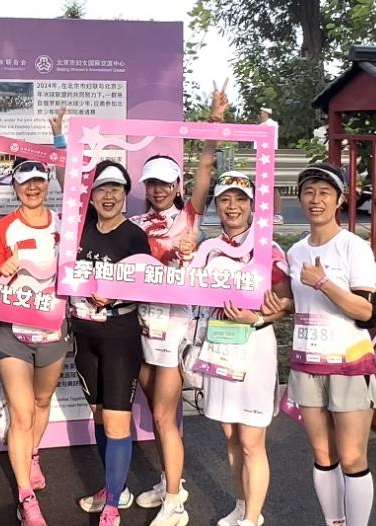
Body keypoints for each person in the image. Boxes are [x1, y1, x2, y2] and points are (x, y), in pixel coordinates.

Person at [129, 83, 227, 526]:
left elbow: (205, 168)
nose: (158, 190)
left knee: (165, 416)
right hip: (140, 325)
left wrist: (215, 123)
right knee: (157, 413)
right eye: (152, 183)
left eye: (165, 183)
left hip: (174, 327)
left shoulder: (189, 217)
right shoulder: (134, 224)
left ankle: (174, 503)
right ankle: (172, 480)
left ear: (176, 185)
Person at [267, 163, 376, 526]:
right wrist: (281, 306)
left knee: (352, 456)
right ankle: (334, 522)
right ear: (300, 198)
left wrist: (323, 283)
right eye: (309, 192)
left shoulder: (353, 247)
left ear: (340, 199)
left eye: (324, 193)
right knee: (322, 454)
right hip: (307, 364)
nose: (316, 200)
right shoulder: (297, 251)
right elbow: (301, 304)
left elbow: (366, 311)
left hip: (349, 364)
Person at [196, 172, 292, 526]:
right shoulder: (208, 248)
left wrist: (258, 316)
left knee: (252, 440)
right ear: (216, 205)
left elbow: (288, 300)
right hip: (220, 346)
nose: (232, 206)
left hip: (255, 348)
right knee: (232, 436)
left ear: (252, 206)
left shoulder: (267, 248)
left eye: (240, 199)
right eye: (225, 199)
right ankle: (241, 506)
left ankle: (252, 518)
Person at [66, 161, 151, 526]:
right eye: (101, 188)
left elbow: (147, 284)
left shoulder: (134, 236)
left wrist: (115, 295)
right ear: (92, 195)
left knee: (117, 423)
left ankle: (113, 506)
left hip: (120, 337)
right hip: (85, 336)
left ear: (125, 195)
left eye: (116, 189)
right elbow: (68, 182)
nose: (109, 196)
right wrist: (60, 142)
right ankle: (114, 487)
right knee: (100, 417)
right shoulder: (82, 229)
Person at [0, 158, 71, 526]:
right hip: (12, 331)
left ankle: (33, 454)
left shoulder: (63, 225)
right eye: (25, 182)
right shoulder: (3, 228)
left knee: (41, 400)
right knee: (21, 413)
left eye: (39, 181)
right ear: (15, 187)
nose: (32, 188)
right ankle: (26, 497)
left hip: (52, 329)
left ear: (48, 183)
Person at [258, 107, 283, 225]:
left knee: (273, 186)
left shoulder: (272, 124)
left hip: (269, 156)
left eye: (262, 113)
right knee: (259, 187)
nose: (260, 114)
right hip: (259, 156)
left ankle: (276, 214)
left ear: (266, 113)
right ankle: (260, 214)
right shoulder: (261, 126)